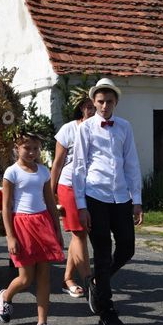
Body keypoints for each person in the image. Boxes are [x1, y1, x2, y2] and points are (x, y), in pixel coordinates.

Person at [72, 78, 143, 325]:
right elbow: (79, 167)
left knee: (127, 248)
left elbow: (132, 163)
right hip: (95, 196)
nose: (104, 106)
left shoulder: (124, 127)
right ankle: (106, 309)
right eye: (100, 101)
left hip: (121, 197)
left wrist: (137, 200)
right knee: (102, 253)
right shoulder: (85, 129)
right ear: (93, 102)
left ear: (116, 102)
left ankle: (98, 283)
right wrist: (81, 205)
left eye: (109, 101)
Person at [0, 131, 64, 325]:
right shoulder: (12, 172)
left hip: (43, 223)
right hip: (22, 225)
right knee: (26, 278)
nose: (32, 152)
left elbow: (51, 203)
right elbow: (6, 207)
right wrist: (10, 236)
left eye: (36, 148)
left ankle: (42, 323)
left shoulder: (44, 172)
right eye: (27, 148)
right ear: (17, 148)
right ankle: (6, 295)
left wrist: (57, 230)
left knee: (44, 277)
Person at [50, 92, 95, 297]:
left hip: (92, 187)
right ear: (80, 108)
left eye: (93, 105)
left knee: (82, 233)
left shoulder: (100, 129)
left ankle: (67, 279)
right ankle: (89, 282)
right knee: (78, 233)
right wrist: (50, 191)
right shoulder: (69, 129)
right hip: (68, 184)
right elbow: (58, 163)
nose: (91, 109)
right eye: (87, 106)